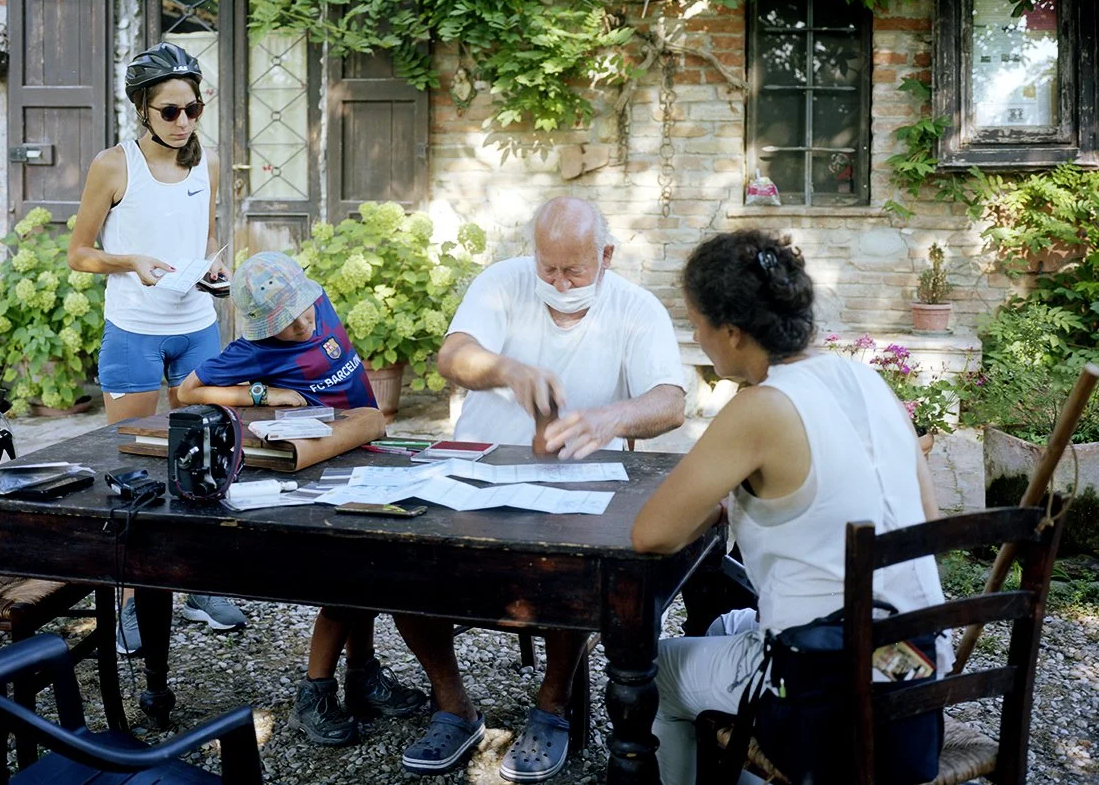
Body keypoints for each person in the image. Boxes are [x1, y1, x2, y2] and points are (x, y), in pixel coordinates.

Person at [630, 229, 952, 785]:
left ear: (731, 333)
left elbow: (652, 534)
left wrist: (718, 502)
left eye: (696, 322)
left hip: (831, 684)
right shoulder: (868, 379)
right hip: (914, 663)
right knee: (730, 622)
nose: (695, 335)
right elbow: (927, 521)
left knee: (654, 672)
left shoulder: (761, 408)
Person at [395, 196, 686, 781]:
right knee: (404, 563)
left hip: (576, 480)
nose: (557, 281)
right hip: (476, 471)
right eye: (547, 267)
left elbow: (671, 401)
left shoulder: (635, 307)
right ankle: (453, 705)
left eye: (573, 269)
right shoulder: (502, 283)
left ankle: (551, 707)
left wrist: (609, 420)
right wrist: (508, 370)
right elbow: (453, 356)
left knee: (575, 574)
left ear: (605, 255)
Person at [177, 251, 427, 745]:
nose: (304, 323)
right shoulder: (253, 349)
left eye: (304, 311)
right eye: (287, 324)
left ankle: (362, 677)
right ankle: (314, 693)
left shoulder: (318, 302)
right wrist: (263, 396)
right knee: (345, 583)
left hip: (367, 450)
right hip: (323, 467)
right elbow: (188, 391)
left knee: (369, 574)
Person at [68, 41, 245, 656]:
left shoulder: (209, 163)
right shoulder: (114, 166)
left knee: (207, 461)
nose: (184, 122)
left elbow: (208, 235)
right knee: (135, 472)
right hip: (135, 329)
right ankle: (125, 603)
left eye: (193, 109)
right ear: (142, 109)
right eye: (170, 111)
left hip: (196, 323)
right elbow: (80, 253)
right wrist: (130, 261)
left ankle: (194, 585)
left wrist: (215, 272)